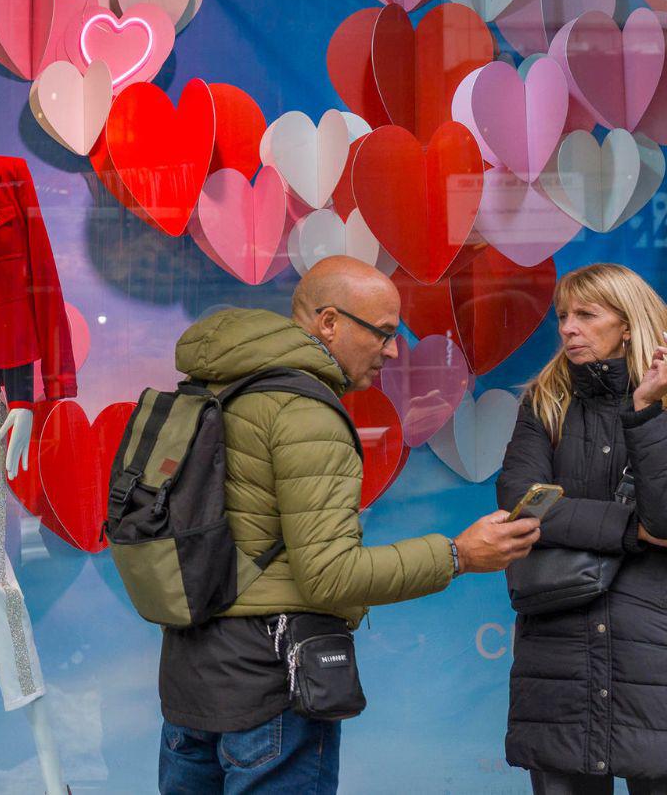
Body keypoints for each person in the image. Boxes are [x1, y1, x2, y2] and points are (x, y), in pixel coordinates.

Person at [157, 255, 542, 795]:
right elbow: (329, 576)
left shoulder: (211, 389)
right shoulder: (304, 411)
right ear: (329, 322)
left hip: (187, 680)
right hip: (271, 683)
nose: (392, 349)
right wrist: (459, 554)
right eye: (382, 333)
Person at [497, 263, 667, 795]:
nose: (568, 327)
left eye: (587, 315)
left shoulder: (660, 404)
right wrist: (632, 531)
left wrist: (644, 413)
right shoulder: (544, 400)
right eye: (563, 316)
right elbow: (523, 505)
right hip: (559, 646)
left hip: (652, 643)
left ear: (629, 324)